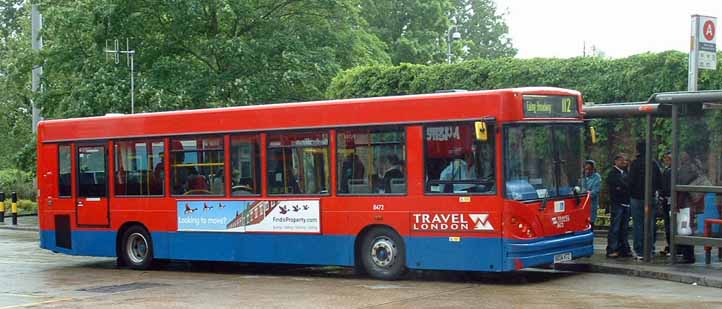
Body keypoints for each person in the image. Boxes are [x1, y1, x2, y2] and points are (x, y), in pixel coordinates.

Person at [628, 142, 661, 260]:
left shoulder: (635, 164)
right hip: (650, 197)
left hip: (636, 197)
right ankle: (650, 248)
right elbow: (659, 180)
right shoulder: (653, 163)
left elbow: (630, 181)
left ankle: (639, 250)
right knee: (650, 224)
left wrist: (631, 193)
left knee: (638, 225)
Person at [606, 154, 632, 258]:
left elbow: (628, 185)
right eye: (622, 161)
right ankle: (612, 248)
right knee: (615, 227)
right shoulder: (613, 173)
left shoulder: (626, 173)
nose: (624, 163)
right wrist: (622, 187)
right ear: (616, 161)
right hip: (617, 203)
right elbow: (619, 185)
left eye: (625, 161)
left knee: (624, 227)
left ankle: (624, 248)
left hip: (625, 202)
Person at [676, 151, 700, 263]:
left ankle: (688, 255)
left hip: (685, 203)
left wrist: (678, 203)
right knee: (687, 227)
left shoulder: (686, 168)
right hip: (688, 203)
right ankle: (687, 253)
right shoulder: (694, 167)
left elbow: (682, 186)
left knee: (685, 228)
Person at [658, 151, 672, 256]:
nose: (666, 160)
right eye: (665, 158)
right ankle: (670, 245)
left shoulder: (673, 170)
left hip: (670, 200)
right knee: (667, 223)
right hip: (666, 199)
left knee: (670, 224)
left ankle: (672, 246)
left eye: (668, 158)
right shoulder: (666, 170)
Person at [582, 160, 601, 227]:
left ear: (593, 169)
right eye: (586, 169)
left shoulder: (597, 177)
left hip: (591, 205)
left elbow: (594, 192)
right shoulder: (582, 177)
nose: (587, 171)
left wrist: (585, 193)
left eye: (589, 169)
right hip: (581, 205)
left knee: (590, 223)